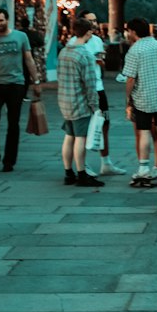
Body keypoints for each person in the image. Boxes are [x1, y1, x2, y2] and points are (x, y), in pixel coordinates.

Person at [0, 7, 42, 173]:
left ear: (7, 20)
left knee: (13, 124)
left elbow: (28, 59)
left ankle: (9, 161)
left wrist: (36, 81)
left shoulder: (21, 37)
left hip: (16, 85)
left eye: (1, 20)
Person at [57, 16, 103, 187]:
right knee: (80, 138)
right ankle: (82, 173)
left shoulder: (64, 51)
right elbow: (90, 84)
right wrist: (95, 105)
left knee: (69, 136)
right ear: (88, 32)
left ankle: (68, 172)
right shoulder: (85, 55)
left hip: (64, 100)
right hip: (80, 102)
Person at [123, 17, 157, 187]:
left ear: (133, 32)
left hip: (142, 97)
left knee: (143, 132)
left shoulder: (135, 50)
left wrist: (128, 100)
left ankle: (143, 167)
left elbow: (130, 79)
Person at [82, 12, 126, 176]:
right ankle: (82, 164)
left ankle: (105, 162)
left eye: (95, 20)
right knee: (83, 127)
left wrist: (100, 61)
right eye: (89, 20)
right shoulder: (75, 42)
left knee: (104, 124)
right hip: (84, 89)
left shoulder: (97, 40)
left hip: (99, 87)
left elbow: (101, 63)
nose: (93, 23)